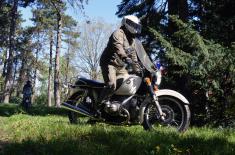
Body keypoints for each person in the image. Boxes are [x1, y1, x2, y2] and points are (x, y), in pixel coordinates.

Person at [98, 15, 142, 104]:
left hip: (120, 66)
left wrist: (138, 69)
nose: (135, 28)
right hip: (109, 63)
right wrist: (125, 57)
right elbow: (118, 47)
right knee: (111, 85)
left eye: (137, 26)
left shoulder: (132, 40)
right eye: (134, 26)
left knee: (127, 83)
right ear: (128, 24)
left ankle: (116, 105)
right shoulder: (118, 33)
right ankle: (98, 105)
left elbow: (133, 55)